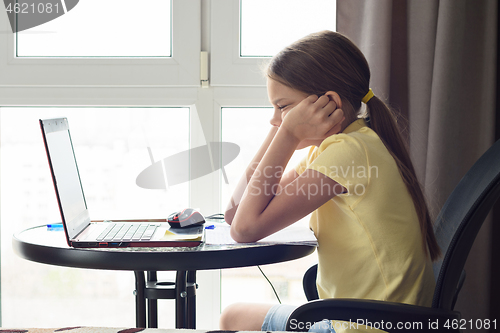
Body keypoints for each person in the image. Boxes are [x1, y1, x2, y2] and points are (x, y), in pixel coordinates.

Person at [219, 30, 441, 332]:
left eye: (282, 106)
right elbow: (235, 212)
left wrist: (287, 133)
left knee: (232, 319)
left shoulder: (349, 152)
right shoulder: (345, 145)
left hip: (365, 326)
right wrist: (281, 127)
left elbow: (244, 229)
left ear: (329, 102)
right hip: (361, 319)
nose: (275, 119)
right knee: (234, 316)